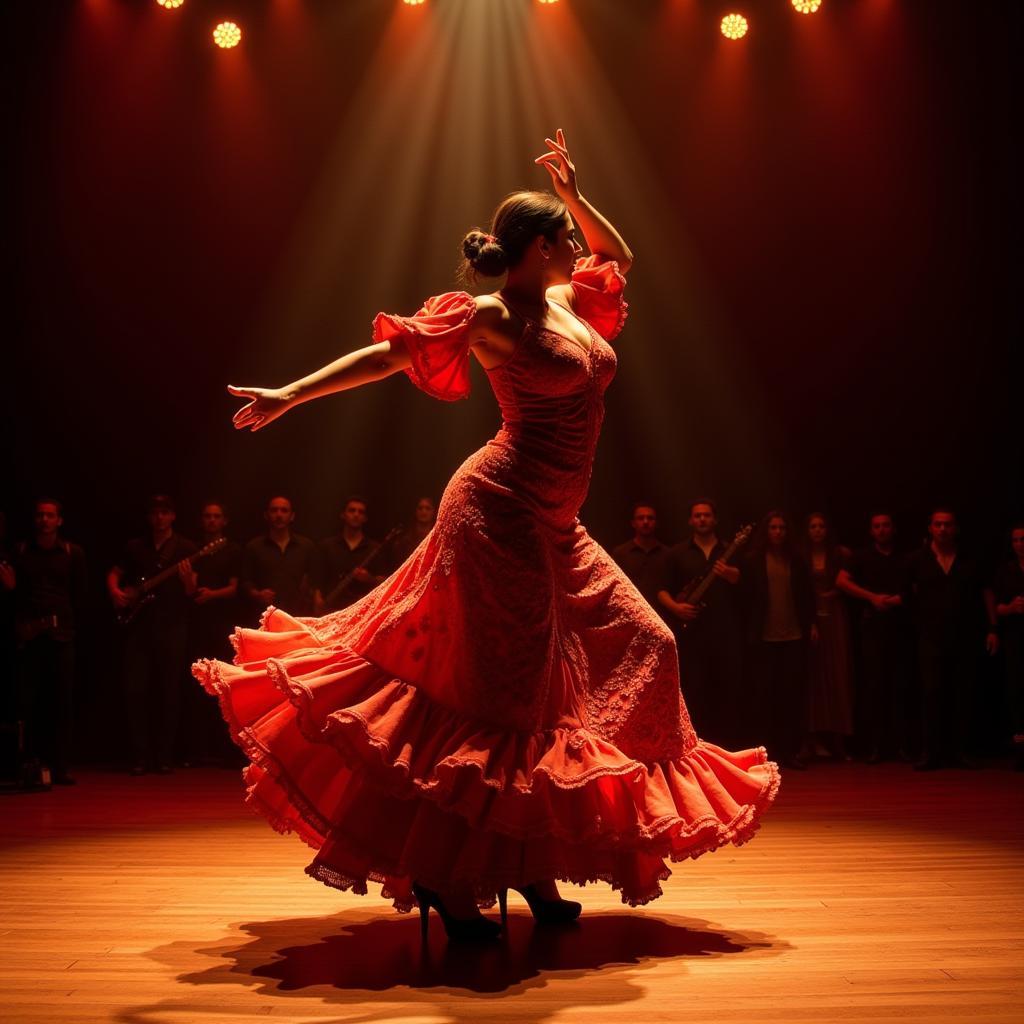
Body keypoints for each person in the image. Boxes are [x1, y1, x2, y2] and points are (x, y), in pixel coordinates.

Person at [195, 131, 778, 940]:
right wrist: (291, 393)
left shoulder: (572, 302)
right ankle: (460, 878)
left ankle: (524, 859)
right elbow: (388, 356)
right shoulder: (495, 316)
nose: (579, 250)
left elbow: (624, 254)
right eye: (566, 239)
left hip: (555, 521)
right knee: (507, 702)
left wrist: (574, 192)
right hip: (496, 510)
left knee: (647, 643)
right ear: (538, 250)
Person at [108, 495, 197, 775]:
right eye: (155, 513)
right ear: (150, 517)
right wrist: (115, 591)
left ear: (173, 516)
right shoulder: (135, 546)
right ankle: (140, 756)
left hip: (172, 627)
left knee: (168, 692)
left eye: (165, 512)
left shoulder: (186, 547)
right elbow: (114, 573)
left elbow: (192, 592)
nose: (160, 518)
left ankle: (164, 756)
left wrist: (186, 580)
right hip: (138, 628)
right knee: (135, 691)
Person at [905, 508, 999, 770]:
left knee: (962, 693)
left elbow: (986, 592)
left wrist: (993, 627)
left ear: (955, 528)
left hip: (965, 635)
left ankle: (959, 751)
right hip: (930, 637)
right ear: (930, 528)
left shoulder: (970, 559)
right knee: (931, 693)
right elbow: (908, 595)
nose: (943, 529)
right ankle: (930, 753)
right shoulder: (916, 560)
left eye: (947, 524)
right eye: (938, 524)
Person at [12, 499, 88, 786]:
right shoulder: (21, 551)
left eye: (50, 515)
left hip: (61, 636)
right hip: (30, 635)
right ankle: (28, 763)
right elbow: (16, 596)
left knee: (61, 703)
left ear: (60, 520)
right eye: (40, 515)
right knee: (27, 702)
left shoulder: (72, 553)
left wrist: (70, 626)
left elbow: (79, 595)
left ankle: (60, 765)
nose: (44, 520)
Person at [657, 499, 742, 746]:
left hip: (726, 633)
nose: (702, 519)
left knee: (727, 689)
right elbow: (661, 589)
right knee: (694, 688)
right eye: (698, 515)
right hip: (692, 635)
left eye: (707, 515)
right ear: (690, 521)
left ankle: (725, 746)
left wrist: (735, 577)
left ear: (714, 519)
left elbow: (750, 590)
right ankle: (696, 744)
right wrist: (676, 607)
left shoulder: (732, 551)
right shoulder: (677, 553)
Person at [741, 511, 815, 769]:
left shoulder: (797, 560)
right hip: (764, 638)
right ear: (766, 531)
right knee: (765, 697)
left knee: (791, 696)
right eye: (773, 527)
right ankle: (767, 753)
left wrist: (811, 624)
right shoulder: (753, 561)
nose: (778, 532)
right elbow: (746, 599)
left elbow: (807, 595)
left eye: (782, 528)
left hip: (793, 636)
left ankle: (790, 751)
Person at [837, 512, 913, 763]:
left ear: (893, 529)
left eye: (886, 526)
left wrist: (901, 599)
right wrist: (872, 597)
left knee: (900, 688)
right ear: (871, 531)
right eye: (877, 526)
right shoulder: (862, 556)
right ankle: (876, 746)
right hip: (871, 630)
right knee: (874, 688)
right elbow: (841, 581)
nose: (882, 530)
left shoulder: (906, 557)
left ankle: (902, 745)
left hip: (902, 628)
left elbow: (919, 586)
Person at [183, 501, 241, 764]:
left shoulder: (232, 550)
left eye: (216, 516)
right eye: (207, 516)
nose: (211, 520)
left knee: (222, 684)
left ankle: (222, 750)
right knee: (197, 685)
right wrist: (191, 587)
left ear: (224, 521)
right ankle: (196, 749)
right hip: (196, 622)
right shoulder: (192, 551)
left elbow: (234, 588)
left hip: (223, 623)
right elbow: (189, 588)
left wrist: (212, 595)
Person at [802, 513, 854, 761]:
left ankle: (839, 741)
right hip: (812, 619)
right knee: (813, 679)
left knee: (837, 676)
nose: (818, 530)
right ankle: (811, 740)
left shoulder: (841, 554)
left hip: (835, 618)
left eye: (822, 526)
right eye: (813, 526)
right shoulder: (801, 555)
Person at [240, 496, 318, 618]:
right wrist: (257, 594)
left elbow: (315, 580)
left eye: (284, 510)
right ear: (266, 515)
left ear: (292, 516)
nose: (279, 514)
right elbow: (245, 581)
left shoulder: (306, 546)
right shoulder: (254, 547)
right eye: (274, 510)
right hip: (264, 616)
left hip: (298, 615)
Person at [315, 496, 385, 613]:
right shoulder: (326, 546)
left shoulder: (375, 548)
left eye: (360, 512)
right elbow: (317, 580)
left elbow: (384, 581)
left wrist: (369, 579)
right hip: (331, 610)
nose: (356, 514)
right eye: (352, 510)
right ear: (343, 515)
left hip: (362, 612)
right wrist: (318, 603)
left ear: (365, 518)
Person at [992, 523, 1024, 770]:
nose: (1020, 544)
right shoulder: (1005, 571)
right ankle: (1020, 746)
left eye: (1023, 539)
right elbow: (996, 608)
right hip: (1015, 638)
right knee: (1015, 691)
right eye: (1016, 540)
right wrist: (1011, 608)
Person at [611, 503, 671, 621]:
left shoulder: (668, 554)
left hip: (662, 617)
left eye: (650, 518)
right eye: (640, 518)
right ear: (633, 523)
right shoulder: (621, 553)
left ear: (656, 523)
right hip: (629, 616)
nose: (645, 521)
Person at [389, 496, 437, 570]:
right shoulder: (404, 542)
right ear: (416, 511)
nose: (423, 511)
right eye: (420, 508)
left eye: (428, 508)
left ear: (433, 512)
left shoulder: (438, 540)